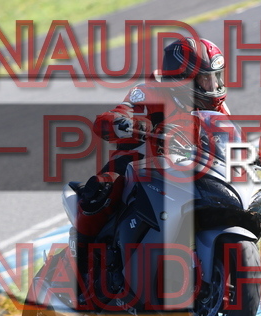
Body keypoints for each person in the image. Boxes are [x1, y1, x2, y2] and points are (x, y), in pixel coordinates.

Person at [71, 37, 230, 265]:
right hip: (140, 163)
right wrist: (120, 122)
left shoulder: (217, 107)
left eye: (216, 77)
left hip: (191, 166)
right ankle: (79, 259)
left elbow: (230, 137)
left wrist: (255, 156)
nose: (213, 86)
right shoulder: (149, 92)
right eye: (205, 79)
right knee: (102, 189)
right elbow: (116, 115)